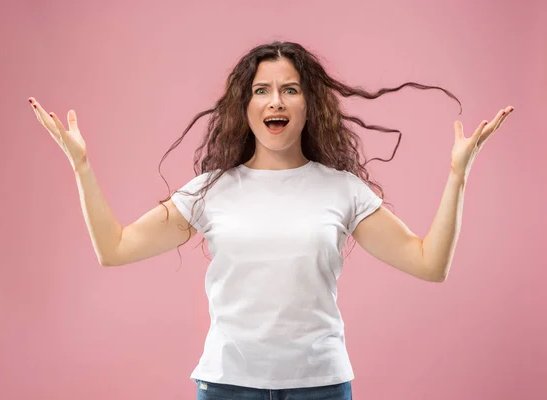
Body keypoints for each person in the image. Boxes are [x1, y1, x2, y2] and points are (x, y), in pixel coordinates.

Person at [28, 41, 513, 400]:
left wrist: (457, 174)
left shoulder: (342, 189)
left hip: (320, 387)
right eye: (261, 90)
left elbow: (430, 263)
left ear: (310, 104)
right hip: (227, 386)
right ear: (245, 106)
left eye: (290, 90)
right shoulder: (210, 190)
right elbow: (114, 248)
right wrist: (83, 167)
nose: (275, 101)